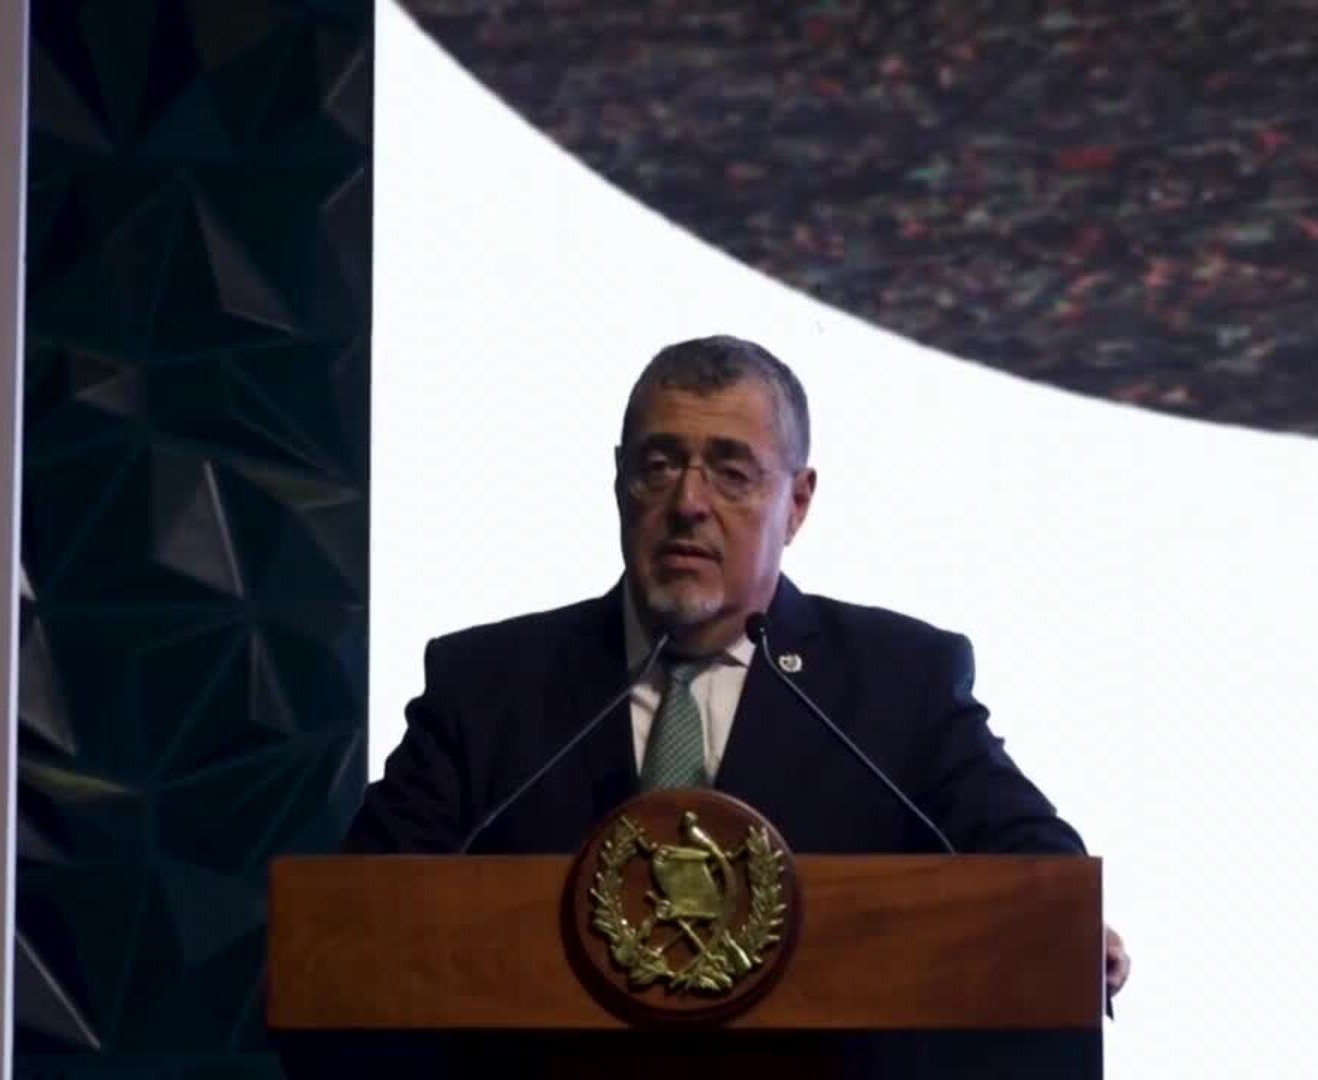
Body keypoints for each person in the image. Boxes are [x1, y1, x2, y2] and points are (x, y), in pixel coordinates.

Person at [344, 334, 1129, 997]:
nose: (688, 502)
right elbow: (350, 916)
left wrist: (1067, 926)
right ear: (619, 482)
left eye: (731, 472)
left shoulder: (901, 681)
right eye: (659, 465)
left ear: (797, 503)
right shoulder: (488, 686)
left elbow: (1034, 863)